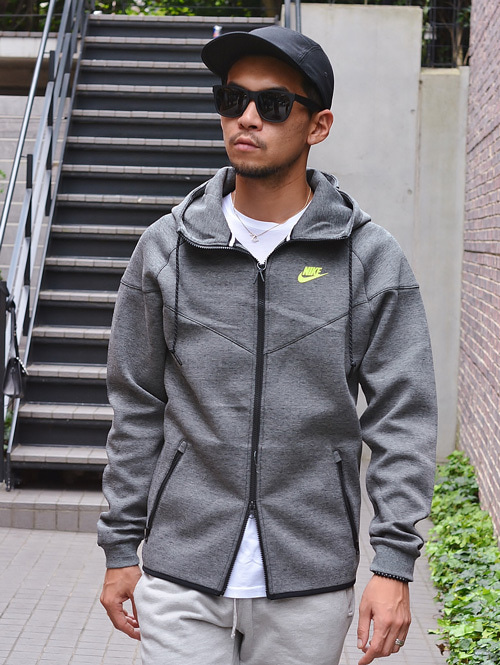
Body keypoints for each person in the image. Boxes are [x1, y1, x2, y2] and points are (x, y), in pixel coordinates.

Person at [98, 25, 437, 665]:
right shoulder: (167, 248)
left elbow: (404, 415)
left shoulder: (368, 258)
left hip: (309, 575)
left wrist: (393, 565)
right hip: (181, 569)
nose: (247, 118)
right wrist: (120, 547)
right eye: (232, 100)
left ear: (318, 126)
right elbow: (136, 404)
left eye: (273, 104)